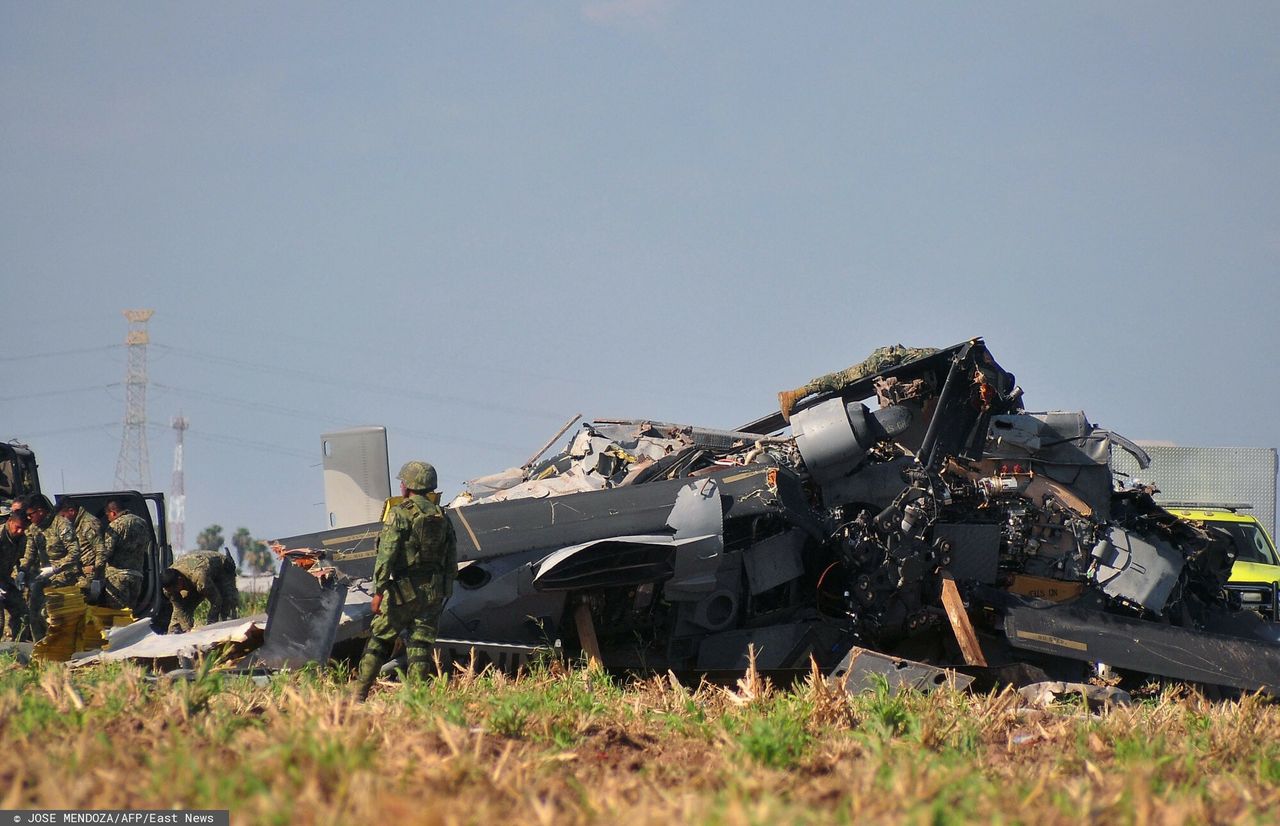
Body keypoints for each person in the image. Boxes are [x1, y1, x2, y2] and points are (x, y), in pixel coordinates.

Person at [352, 460, 457, 701]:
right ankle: (417, 700)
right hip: (433, 592)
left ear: (407, 486)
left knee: (379, 640)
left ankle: (359, 694)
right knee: (420, 646)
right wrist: (445, 588)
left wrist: (378, 591)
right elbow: (451, 557)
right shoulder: (442, 516)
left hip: (402, 592)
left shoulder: (400, 514)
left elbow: (386, 554)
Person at [161, 550, 239, 633]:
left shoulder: (199, 578)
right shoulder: (168, 588)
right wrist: (187, 629)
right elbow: (180, 609)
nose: (174, 592)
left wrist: (211, 623)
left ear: (180, 581)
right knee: (184, 609)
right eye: (170, 591)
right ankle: (173, 635)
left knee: (228, 603)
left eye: (175, 590)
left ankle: (229, 632)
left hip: (222, 568)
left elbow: (216, 601)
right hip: (195, 576)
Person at [101, 500, 151, 611]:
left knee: (118, 615)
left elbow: (106, 552)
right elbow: (146, 545)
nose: (108, 519)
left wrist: (94, 566)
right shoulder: (142, 523)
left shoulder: (116, 525)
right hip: (137, 575)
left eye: (107, 516)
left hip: (117, 576)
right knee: (130, 614)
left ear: (113, 513)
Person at [19, 494, 56, 640]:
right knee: (34, 613)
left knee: (51, 615)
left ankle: (57, 649)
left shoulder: (60, 525)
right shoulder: (34, 529)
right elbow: (30, 553)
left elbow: (74, 552)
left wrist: (56, 568)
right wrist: (22, 570)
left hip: (62, 577)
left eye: (30, 514)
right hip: (42, 577)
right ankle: (40, 649)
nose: (28, 518)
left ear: (40, 511)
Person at [0, 506, 28, 640]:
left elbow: (21, 559)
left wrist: (20, 574)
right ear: (10, 522)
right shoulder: (0, 535)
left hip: (6, 580)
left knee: (22, 611)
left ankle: (18, 646)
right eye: (17, 527)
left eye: (23, 528)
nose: (20, 531)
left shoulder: (22, 538)